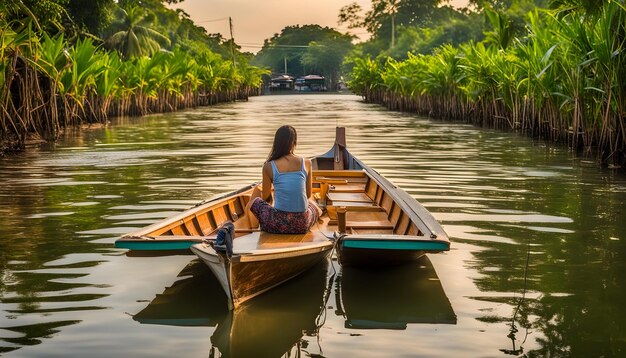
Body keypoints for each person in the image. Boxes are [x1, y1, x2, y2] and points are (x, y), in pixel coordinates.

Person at [245, 125, 322, 234]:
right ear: (293, 143)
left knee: (256, 201)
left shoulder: (268, 166)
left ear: (276, 143)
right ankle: (318, 210)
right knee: (313, 205)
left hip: (278, 225)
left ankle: (251, 226)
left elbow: (265, 198)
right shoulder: (307, 163)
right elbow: (308, 195)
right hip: (302, 225)